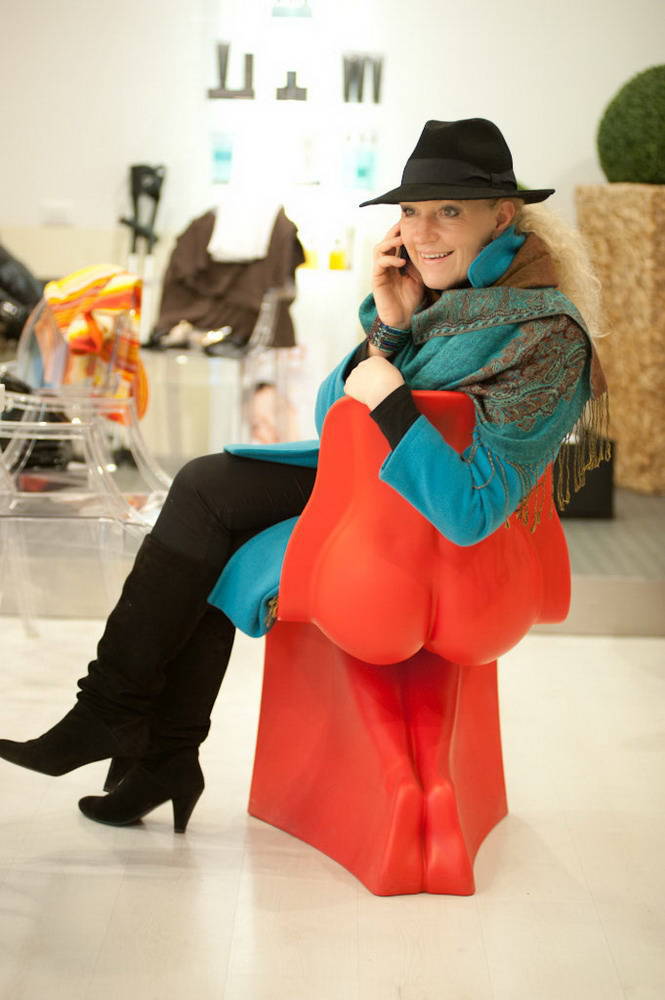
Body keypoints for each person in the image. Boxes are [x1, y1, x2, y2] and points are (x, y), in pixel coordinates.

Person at [0, 118, 608, 832]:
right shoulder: (433, 301)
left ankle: (137, 733)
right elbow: (332, 420)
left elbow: (473, 509)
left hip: (432, 537)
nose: (422, 232)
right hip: (366, 494)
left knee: (207, 512)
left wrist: (393, 402)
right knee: (203, 489)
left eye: (448, 210)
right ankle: (139, 733)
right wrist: (389, 327)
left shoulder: (547, 335)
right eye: (411, 211)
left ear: (502, 217)